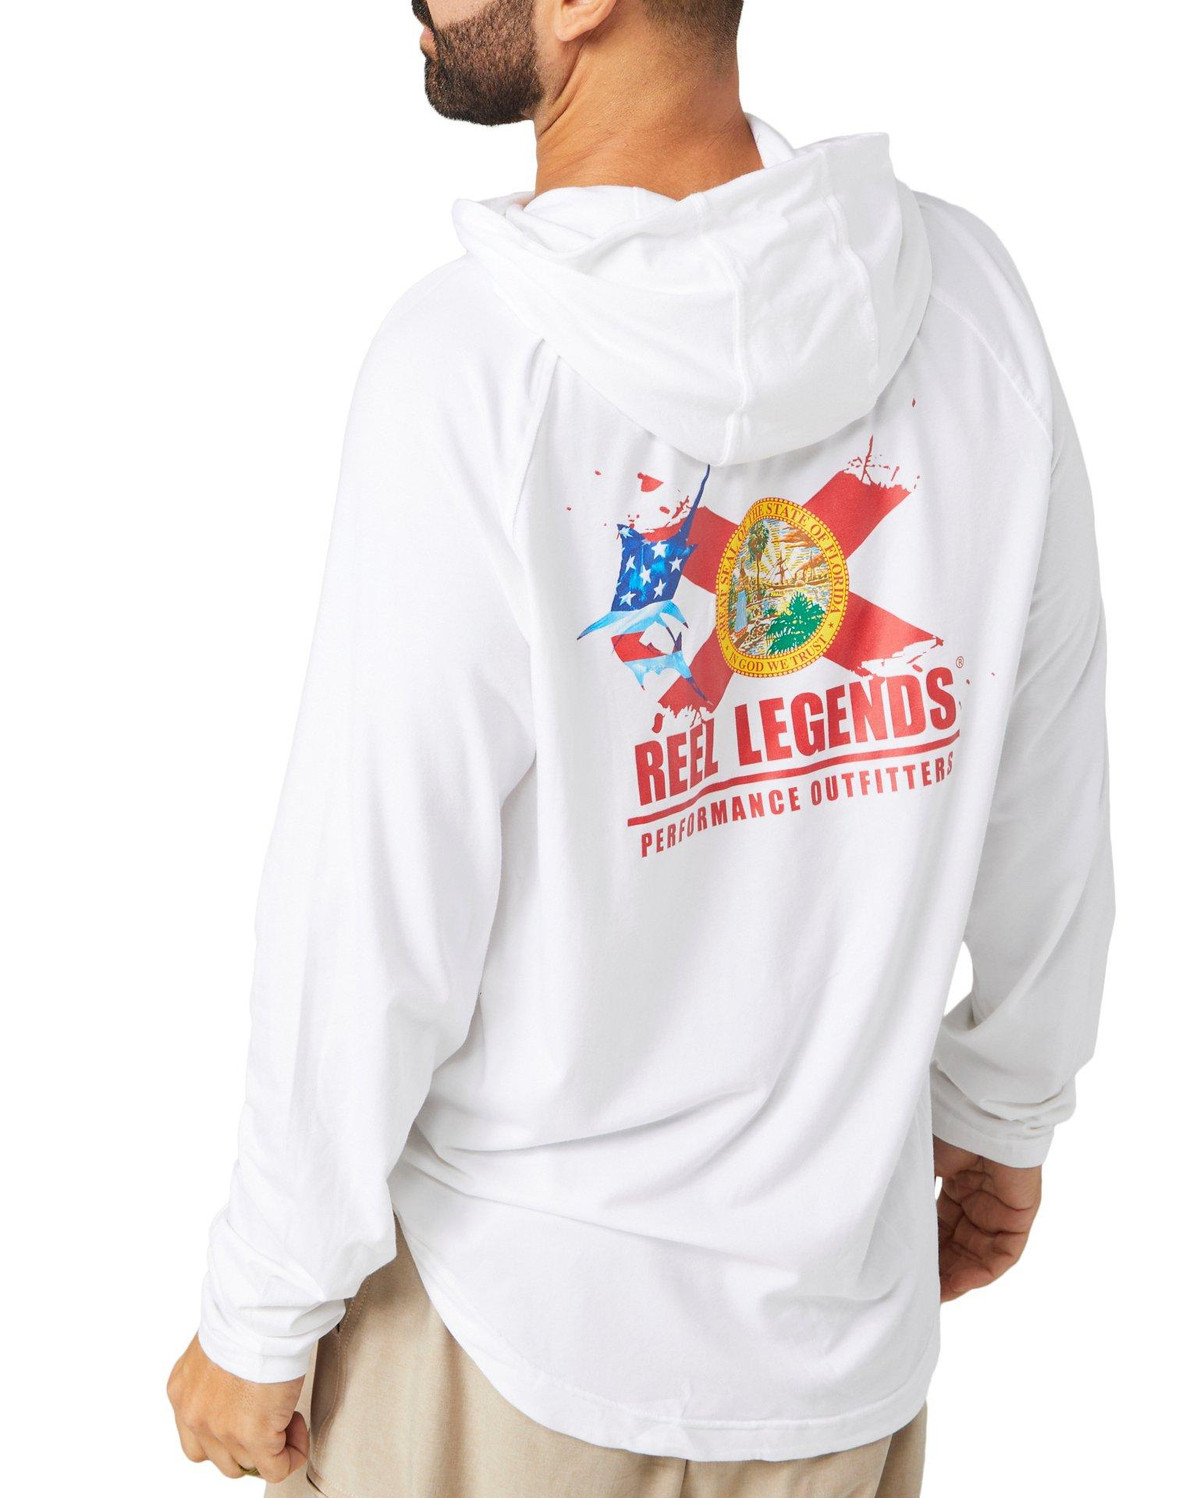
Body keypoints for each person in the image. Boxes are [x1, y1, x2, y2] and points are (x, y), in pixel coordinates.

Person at [167, 1, 1114, 1493]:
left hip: (505, 1346)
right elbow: (1048, 763)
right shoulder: (969, 303)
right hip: (832, 1369)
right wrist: (1008, 1103)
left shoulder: (473, 366)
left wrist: (262, 1302)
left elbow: (375, 892)